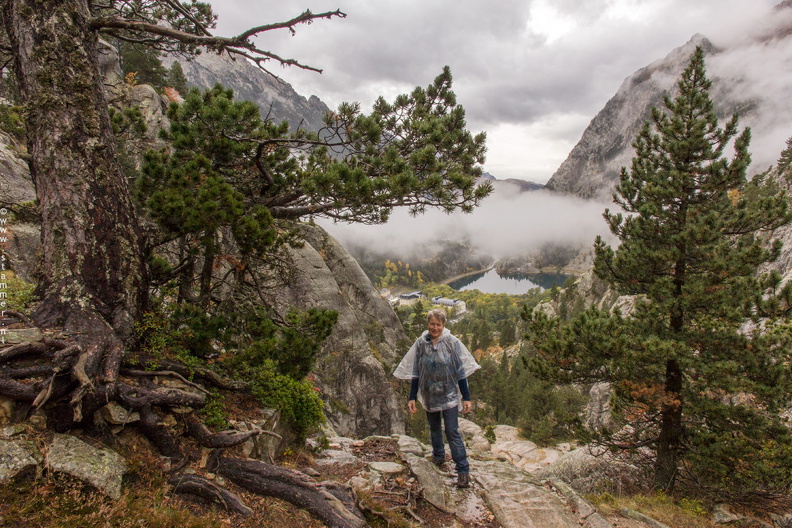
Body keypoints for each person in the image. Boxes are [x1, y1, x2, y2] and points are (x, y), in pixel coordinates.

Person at [393, 308, 480, 488]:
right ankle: (438, 457)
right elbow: (416, 372)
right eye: (432, 324)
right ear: (428, 324)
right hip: (429, 394)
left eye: (438, 324)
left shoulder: (452, 343)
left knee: (452, 431)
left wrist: (466, 397)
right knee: (434, 428)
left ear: (443, 325)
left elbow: (461, 372)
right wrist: (412, 397)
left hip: (449, 395)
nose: (435, 328)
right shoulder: (421, 344)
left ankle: (463, 470)